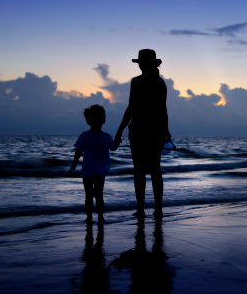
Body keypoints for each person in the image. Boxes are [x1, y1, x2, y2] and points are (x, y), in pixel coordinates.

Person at [115, 49, 171, 218]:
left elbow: (131, 108)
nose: (139, 64)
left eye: (140, 62)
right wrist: (166, 129)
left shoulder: (137, 82)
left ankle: (141, 209)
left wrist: (119, 131)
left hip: (139, 130)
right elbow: (163, 109)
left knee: (139, 171)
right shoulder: (160, 83)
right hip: (155, 131)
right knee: (155, 170)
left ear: (144, 64)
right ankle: (158, 209)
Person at [70, 105, 118, 223]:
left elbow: (78, 151)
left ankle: (89, 218)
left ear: (88, 121)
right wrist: (118, 139)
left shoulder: (85, 135)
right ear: (104, 120)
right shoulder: (106, 136)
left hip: (88, 171)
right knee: (99, 195)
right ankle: (100, 217)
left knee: (89, 195)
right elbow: (114, 148)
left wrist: (73, 166)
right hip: (100, 171)